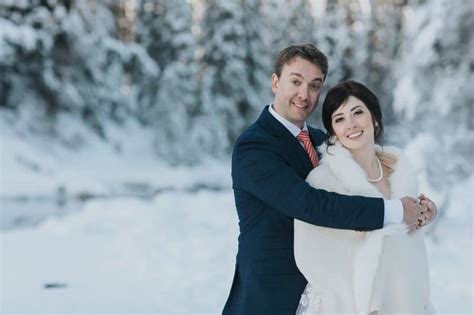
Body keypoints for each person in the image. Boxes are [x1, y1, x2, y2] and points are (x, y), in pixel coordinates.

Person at [222, 44, 437, 315]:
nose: (304, 94)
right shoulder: (254, 147)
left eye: (314, 85)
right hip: (273, 295)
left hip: (335, 291)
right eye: (296, 81)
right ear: (276, 82)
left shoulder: (320, 140)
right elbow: (309, 204)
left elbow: (372, 174)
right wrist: (395, 210)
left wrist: (419, 209)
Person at [294, 80, 435, 314]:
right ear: (333, 132)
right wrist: (363, 302)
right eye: (339, 119)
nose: (350, 124)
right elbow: (313, 258)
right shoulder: (323, 181)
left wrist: (426, 212)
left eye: (357, 112)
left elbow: (409, 244)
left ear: (375, 117)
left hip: (406, 302)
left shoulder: (400, 171)